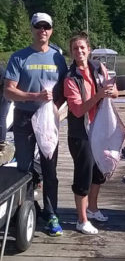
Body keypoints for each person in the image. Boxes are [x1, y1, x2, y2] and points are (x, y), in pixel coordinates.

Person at [4, 12, 68, 236]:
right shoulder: (19, 57)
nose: (43, 30)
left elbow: (65, 90)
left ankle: (51, 214)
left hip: (49, 119)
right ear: (32, 28)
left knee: (50, 168)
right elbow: (9, 91)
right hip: (23, 119)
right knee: (24, 168)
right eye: (38, 26)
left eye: (47, 27)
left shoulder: (58, 58)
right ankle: (25, 209)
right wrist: (34, 96)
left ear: (51, 30)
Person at [64, 32, 118, 235]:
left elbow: (115, 91)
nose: (79, 51)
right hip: (81, 134)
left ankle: (93, 209)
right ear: (71, 52)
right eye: (75, 48)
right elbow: (77, 110)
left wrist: (111, 91)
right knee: (83, 176)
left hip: (100, 128)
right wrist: (98, 95)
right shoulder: (70, 78)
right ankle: (81, 219)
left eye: (82, 47)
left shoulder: (98, 67)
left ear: (89, 49)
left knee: (98, 172)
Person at [0, 65, 11, 153]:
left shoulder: (1, 69)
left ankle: (1, 141)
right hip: (5, 94)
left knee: (1, 117)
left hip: (4, 96)